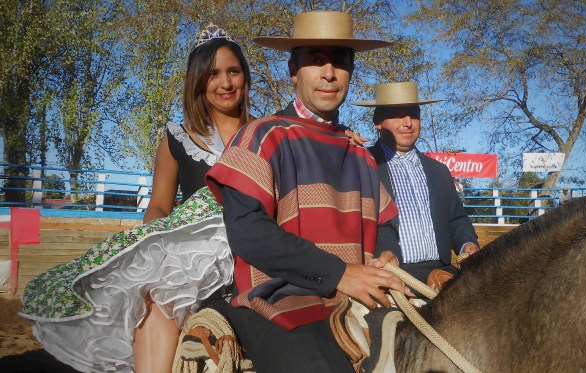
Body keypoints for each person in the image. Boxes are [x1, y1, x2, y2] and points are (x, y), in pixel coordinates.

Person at [19, 24, 252, 372]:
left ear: (245, 76)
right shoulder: (176, 138)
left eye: (233, 71)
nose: (226, 83)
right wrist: (158, 257)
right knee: (155, 300)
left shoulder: (267, 133)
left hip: (251, 246)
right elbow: (159, 205)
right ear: (198, 81)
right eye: (213, 73)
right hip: (191, 252)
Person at [200, 11, 412, 372]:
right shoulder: (264, 136)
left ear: (350, 72)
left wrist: (386, 254)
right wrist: (340, 273)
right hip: (281, 297)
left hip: (359, 292)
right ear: (293, 71)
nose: (329, 73)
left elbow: (386, 225)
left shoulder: (360, 152)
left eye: (340, 63)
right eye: (316, 61)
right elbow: (248, 232)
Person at [353, 81, 480, 286]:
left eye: (413, 114)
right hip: (391, 275)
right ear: (378, 122)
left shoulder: (439, 171)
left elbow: (456, 218)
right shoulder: (362, 166)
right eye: (397, 115)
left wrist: (467, 244)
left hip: (443, 274)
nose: (408, 123)